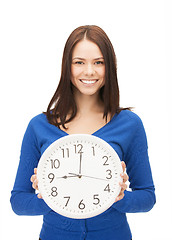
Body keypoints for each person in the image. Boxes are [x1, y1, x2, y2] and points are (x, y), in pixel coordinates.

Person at [10, 25, 156, 240]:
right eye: (79, 62)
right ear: (67, 67)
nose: (89, 71)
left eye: (99, 62)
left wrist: (119, 196)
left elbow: (147, 197)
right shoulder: (39, 126)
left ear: (110, 67)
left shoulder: (130, 124)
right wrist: (49, 195)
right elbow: (19, 202)